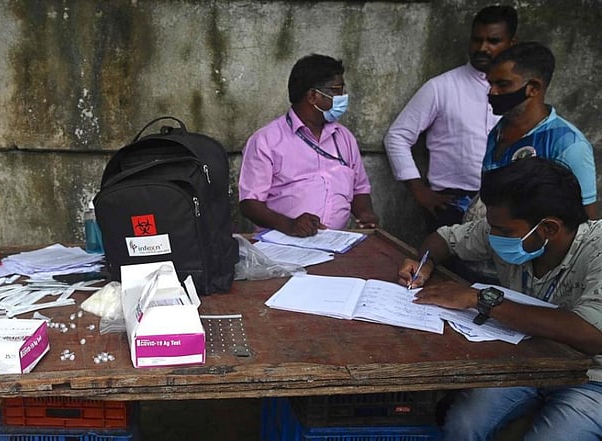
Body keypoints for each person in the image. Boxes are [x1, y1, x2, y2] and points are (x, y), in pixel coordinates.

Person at [397, 157, 602, 441]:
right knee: (463, 425)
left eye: (504, 231)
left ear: (549, 229)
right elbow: (444, 239)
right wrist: (425, 263)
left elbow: (592, 335)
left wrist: (482, 300)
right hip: (526, 363)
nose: (492, 236)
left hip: (592, 378)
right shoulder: (506, 229)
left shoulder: (597, 251)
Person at [385, 5, 517, 231]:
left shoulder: (519, 92)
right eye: (477, 40)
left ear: (511, 44)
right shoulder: (442, 87)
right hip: (451, 204)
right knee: (448, 266)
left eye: (493, 41)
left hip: (506, 205)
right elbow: (397, 136)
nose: (482, 48)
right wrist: (419, 190)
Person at [238, 54, 377, 238]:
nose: (343, 97)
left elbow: (359, 189)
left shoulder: (344, 138)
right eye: (337, 90)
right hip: (283, 243)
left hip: (336, 243)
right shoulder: (266, 140)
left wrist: (365, 214)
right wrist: (290, 225)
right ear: (313, 96)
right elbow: (249, 204)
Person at [480, 41, 597, 219]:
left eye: (502, 84)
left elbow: (587, 222)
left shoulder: (569, 145)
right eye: (491, 84)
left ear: (533, 88)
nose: (492, 92)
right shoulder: (499, 130)